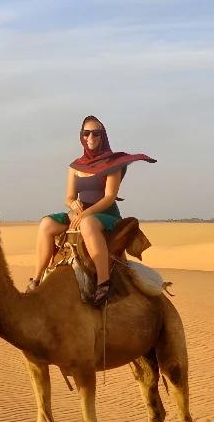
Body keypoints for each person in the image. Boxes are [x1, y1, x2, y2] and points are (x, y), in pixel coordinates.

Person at [29, 116, 155, 303]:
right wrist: (73, 206)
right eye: (86, 133)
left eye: (96, 133)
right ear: (82, 137)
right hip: (81, 213)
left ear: (102, 136)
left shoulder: (113, 164)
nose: (91, 137)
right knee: (46, 223)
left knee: (87, 225)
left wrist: (85, 214)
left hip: (106, 214)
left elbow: (109, 197)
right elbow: (69, 197)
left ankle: (103, 283)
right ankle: (37, 278)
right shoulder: (75, 166)